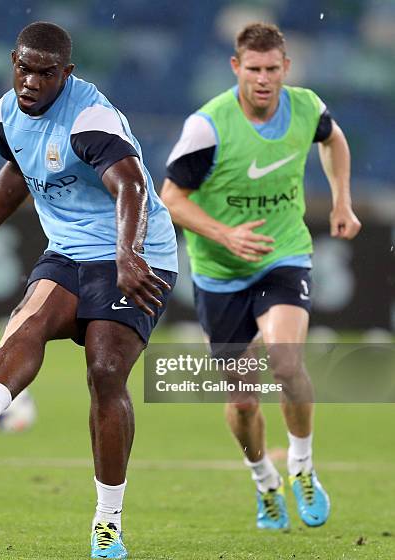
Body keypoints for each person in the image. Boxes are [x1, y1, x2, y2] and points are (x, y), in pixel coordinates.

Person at [0, 21, 177, 559]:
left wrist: (127, 254)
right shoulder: (7, 113)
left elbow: (133, 186)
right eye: (23, 69)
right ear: (13, 63)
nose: (31, 82)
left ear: (66, 73)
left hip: (138, 254)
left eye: (45, 73)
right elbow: (17, 172)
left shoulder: (90, 119)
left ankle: (107, 524)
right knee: (30, 320)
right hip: (70, 251)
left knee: (105, 369)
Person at [161, 22, 361, 530]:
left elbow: (334, 141)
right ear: (236, 68)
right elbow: (171, 200)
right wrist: (225, 235)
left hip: (282, 254)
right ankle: (264, 480)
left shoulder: (307, 107)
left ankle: (302, 467)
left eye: (273, 69)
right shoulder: (207, 127)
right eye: (254, 69)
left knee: (286, 361)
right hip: (220, 272)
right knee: (243, 399)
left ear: (286, 68)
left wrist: (341, 200)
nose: (264, 79)